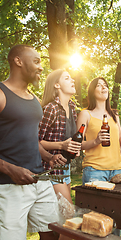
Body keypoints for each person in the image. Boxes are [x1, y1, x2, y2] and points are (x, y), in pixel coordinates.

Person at [0, 45, 66, 240]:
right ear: (18, 61)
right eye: (36, 61)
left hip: (40, 181)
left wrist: (48, 157)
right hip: (8, 186)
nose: (41, 67)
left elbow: (29, 138)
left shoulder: (34, 100)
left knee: (52, 233)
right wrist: (11, 170)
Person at [76, 77, 121, 184]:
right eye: (99, 85)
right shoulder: (86, 114)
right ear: (92, 92)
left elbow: (120, 142)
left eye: (105, 85)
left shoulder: (114, 115)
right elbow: (78, 144)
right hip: (95, 170)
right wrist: (96, 141)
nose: (103, 87)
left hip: (117, 170)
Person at [38, 69, 81, 205]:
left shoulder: (72, 107)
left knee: (61, 215)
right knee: (68, 211)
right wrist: (61, 145)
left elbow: (70, 138)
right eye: (67, 78)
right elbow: (35, 141)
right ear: (57, 85)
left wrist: (74, 148)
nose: (72, 80)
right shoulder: (51, 109)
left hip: (65, 167)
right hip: (50, 168)